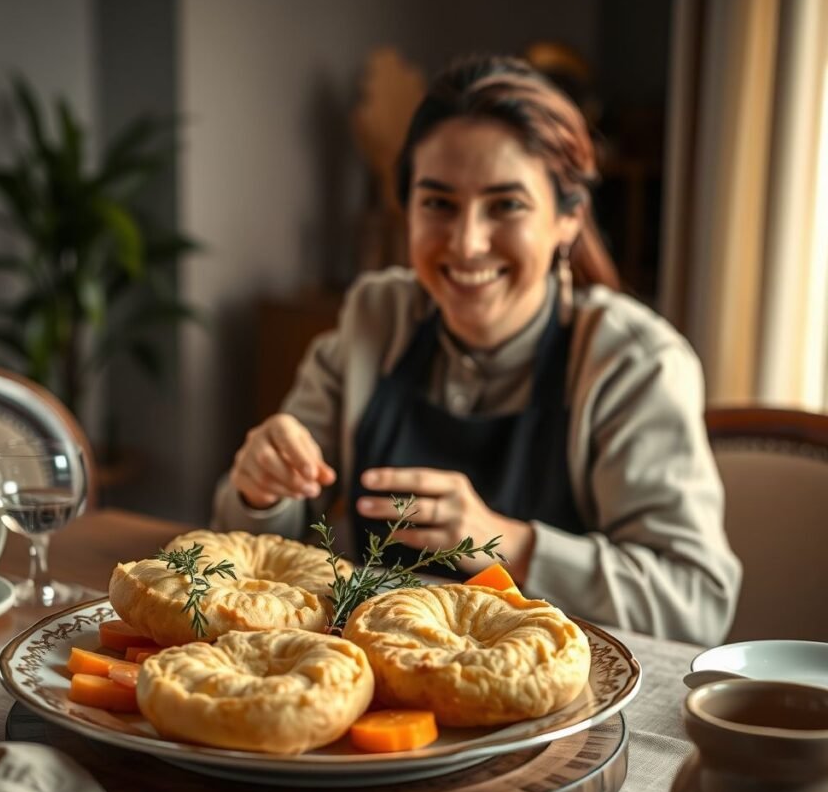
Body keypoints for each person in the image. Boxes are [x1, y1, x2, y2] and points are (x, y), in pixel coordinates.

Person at [212, 54, 741, 646]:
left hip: (558, 690)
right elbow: (253, 547)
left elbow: (696, 602)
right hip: (383, 671)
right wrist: (260, 491)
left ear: (569, 219)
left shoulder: (634, 363)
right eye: (438, 203)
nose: (466, 243)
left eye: (506, 205)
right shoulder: (374, 319)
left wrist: (508, 543)